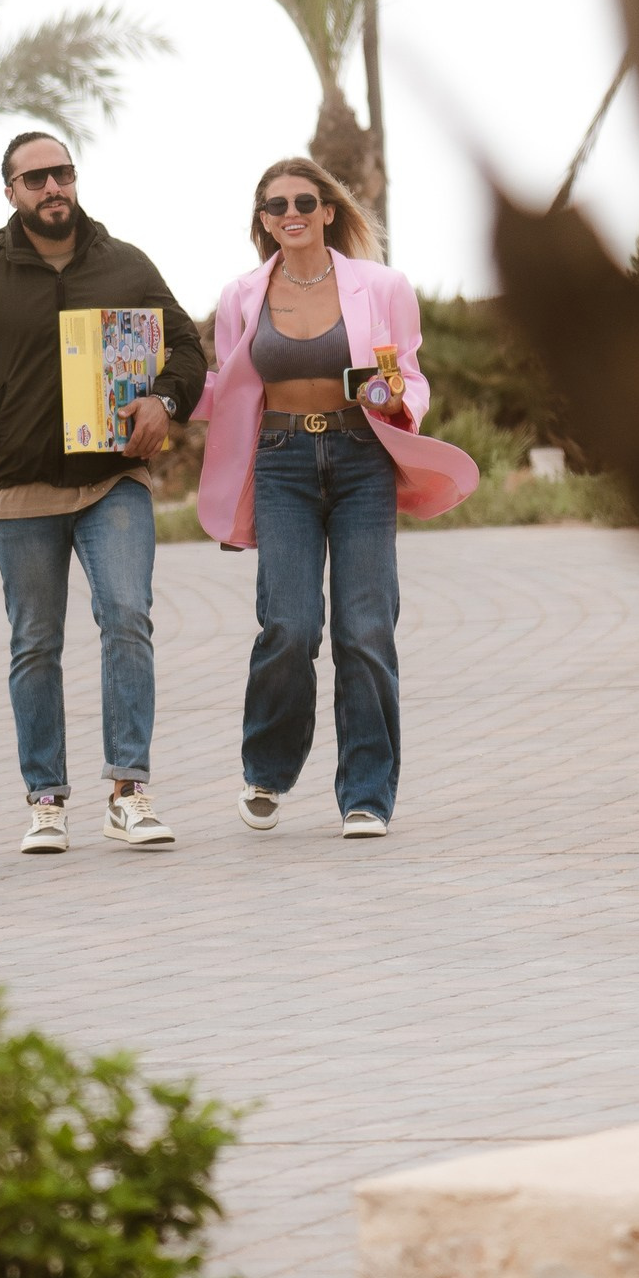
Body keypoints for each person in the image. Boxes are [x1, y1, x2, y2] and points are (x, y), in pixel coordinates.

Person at [0, 131, 206, 855]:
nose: (53, 188)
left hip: (114, 479)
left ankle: (130, 793)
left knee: (127, 618)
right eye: (35, 178)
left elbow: (187, 347)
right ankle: (46, 800)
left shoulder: (126, 262)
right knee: (35, 644)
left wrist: (164, 402)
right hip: (22, 490)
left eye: (63, 174)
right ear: (10, 191)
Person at [191, 156, 477, 838]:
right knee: (288, 625)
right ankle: (267, 770)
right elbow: (227, 385)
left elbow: (406, 372)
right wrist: (150, 394)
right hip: (282, 461)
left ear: (327, 211)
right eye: (274, 206)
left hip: (361, 460)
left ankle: (367, 795)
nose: (289, 213)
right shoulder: (240, 296)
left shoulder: (381, 286)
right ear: (261, 221)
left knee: (365, 628)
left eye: (302, 201)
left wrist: (402, 398)